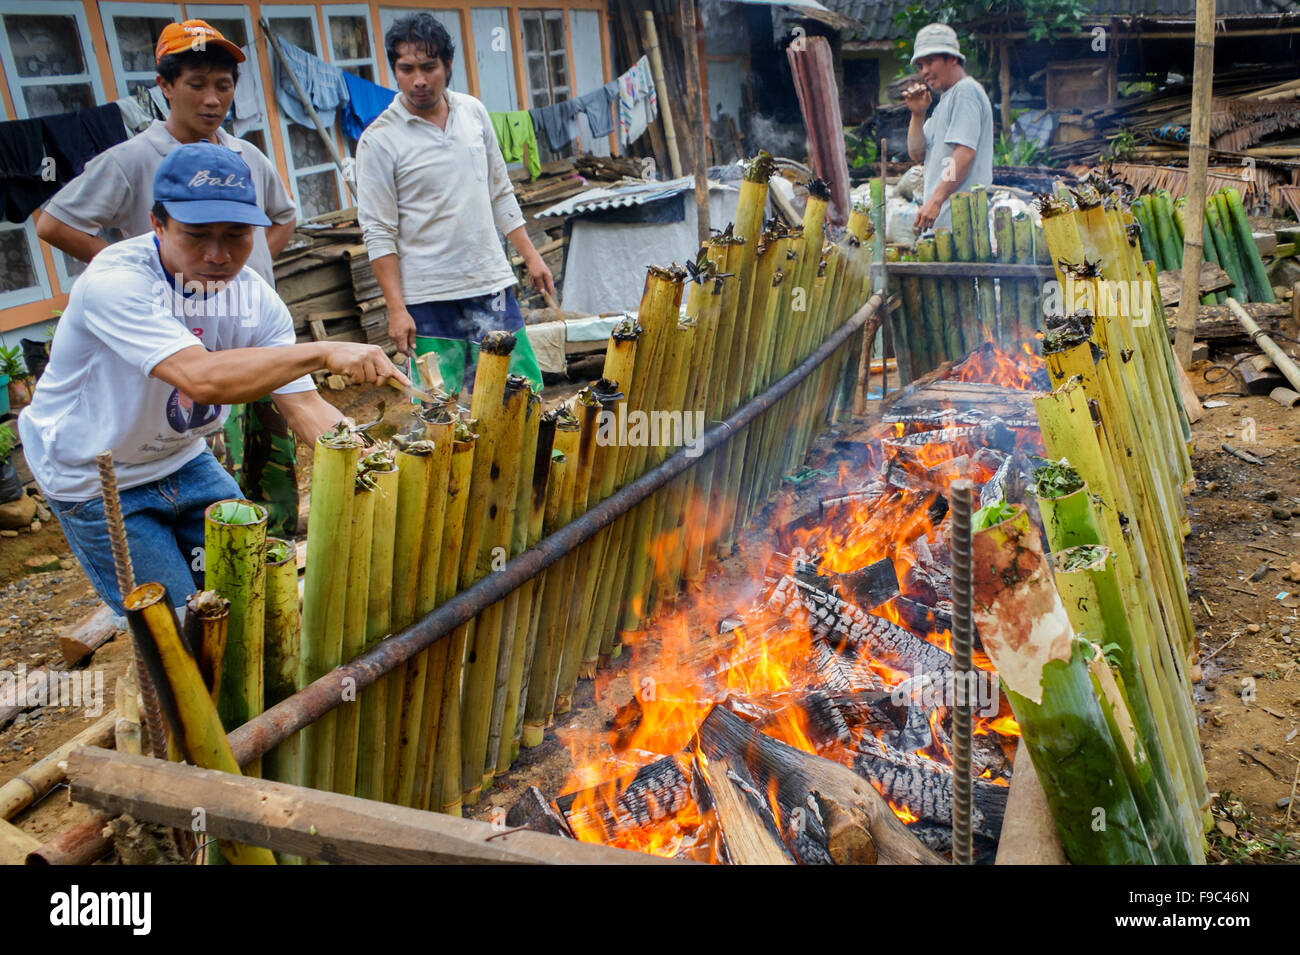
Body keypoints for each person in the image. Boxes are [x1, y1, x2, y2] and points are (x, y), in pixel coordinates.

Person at [19, 142, 406, 616]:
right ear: (157, 224)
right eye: (197, 235)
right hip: (95, 479)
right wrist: (323, 351)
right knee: (179, 626)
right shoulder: (117, 282)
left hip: (184, 458)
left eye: (236, 235)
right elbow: (200, 378)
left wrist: (371, 464)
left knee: (250, 596)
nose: (219, 254)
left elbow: (304, 408)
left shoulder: (254, 297)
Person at [36, 19, 304, 538]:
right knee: (193, 429)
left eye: (223, 85)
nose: (211, 99)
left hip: (244, 326)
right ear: (164, 87)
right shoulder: (134, 159)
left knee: (274, 434)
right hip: (176, 348)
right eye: (196, 84)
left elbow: (284, 215)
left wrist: (241, 269)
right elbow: (53, 222)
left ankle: (276, 528)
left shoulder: (246, 156)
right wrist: (137, 271)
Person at [356, 12, 551, 394]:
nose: (419, 80)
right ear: (394, 70)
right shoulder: (378, 141)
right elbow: (378, 232)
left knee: (517, 396)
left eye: (429, 67)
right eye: (406, 68)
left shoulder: (473, 113)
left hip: (488, 281)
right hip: (426, 299)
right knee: (441, 409)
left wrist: (531, 256)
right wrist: (396, 309)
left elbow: (499, 190)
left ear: (447, 65)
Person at [903, 23, 994, 234]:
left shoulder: (966, 92)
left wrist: (935, 201)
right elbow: (916, 153)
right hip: (944, 227)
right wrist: (917, 115)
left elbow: (964, 153)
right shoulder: (945, 100)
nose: (924, 71)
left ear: (952, 58)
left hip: (962, 230)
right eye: (920, 65)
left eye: (930, 61)